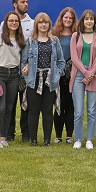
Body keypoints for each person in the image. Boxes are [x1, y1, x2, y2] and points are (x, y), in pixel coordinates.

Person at [21, 12, 64, 146]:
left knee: (47, 111)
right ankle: (33, 140)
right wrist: (26, 72)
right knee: (33, 111)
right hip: (34, 80)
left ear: (49, 24)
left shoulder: (54, 41)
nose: (43, 25)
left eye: (45, 22)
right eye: (40, 22)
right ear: (36, 25)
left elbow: (61, 61)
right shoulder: (30, 41)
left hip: (50, 81)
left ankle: (46, 140)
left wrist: (56, 74)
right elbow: (23, 61)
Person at [0, 11, 25, 147]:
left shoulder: (20, 39)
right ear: (6, 23)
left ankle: (3, 137)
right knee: (0, 108)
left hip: (14, 75)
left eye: (16, 21)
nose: (13, 23)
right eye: (11, 21)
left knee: (9, 108)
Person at [70, 9, 96, 149]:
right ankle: (78, 138)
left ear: (94, 21)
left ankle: (89, 139)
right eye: (86, 19)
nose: (89, 21)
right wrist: (84, 72)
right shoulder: (75, 36)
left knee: (91, 110)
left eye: (91, 19)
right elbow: (74, 57)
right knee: (78, 110)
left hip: (94, 75)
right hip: (78, 74)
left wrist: (91, 73)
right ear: (82, 21)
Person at [9, 0, 33, 142]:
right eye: (22, 2)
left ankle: (26, 133)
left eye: (26, 2)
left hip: (27, 70)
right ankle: (9, 133)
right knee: (10, 103)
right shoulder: (8, 22)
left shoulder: (33, 23)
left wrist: (29, 64)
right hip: (10, 69)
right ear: (15, 4)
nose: (26, 4)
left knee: (27, 104)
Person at [52, 7, 77, 144]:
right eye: (65, 17)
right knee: (58, 105)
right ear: (62, 18)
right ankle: (58, 135)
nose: (68, 20)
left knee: (71, 105)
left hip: (72, 74)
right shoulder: (54, 34)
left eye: (70, 18)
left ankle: (69, 135)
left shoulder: (76, 35)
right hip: (58, 74)